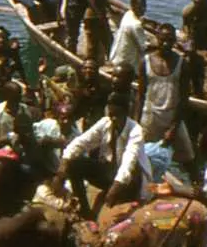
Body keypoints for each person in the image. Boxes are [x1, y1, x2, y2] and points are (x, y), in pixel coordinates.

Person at [54, 90, 148, 219]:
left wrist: (115, 188)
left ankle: (117, 198)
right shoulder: (106, 122)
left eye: (117, 115)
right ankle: (85, 210)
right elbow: (81, 142)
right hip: (110, 172)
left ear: (126, 113)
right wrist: (63, 166)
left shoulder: (135, 131)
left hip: (129, 182)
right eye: (111, 115)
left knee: (128, 176)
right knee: (74, 164)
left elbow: (128, 163)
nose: (113, 119)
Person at [139, 29, 192, 161]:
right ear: (157, 39)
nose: (165, 44)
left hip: (172, 117)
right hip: (150, 118)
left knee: (189, 158)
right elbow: (140, 95)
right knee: (141, 156)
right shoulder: (145, 62)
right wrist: (136, 123)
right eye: (163, 40)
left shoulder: (182, 64)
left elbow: (184, 99)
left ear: (175, 42)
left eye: (170, 40)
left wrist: (174, 127)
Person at [109, 0, 149, 75]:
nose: (143, 9)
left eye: (144, 6)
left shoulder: (128, 14)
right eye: (140, 7)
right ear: (133, 6)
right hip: (125, 63)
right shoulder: (136, 25)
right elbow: (144, 48)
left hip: (114, 58)